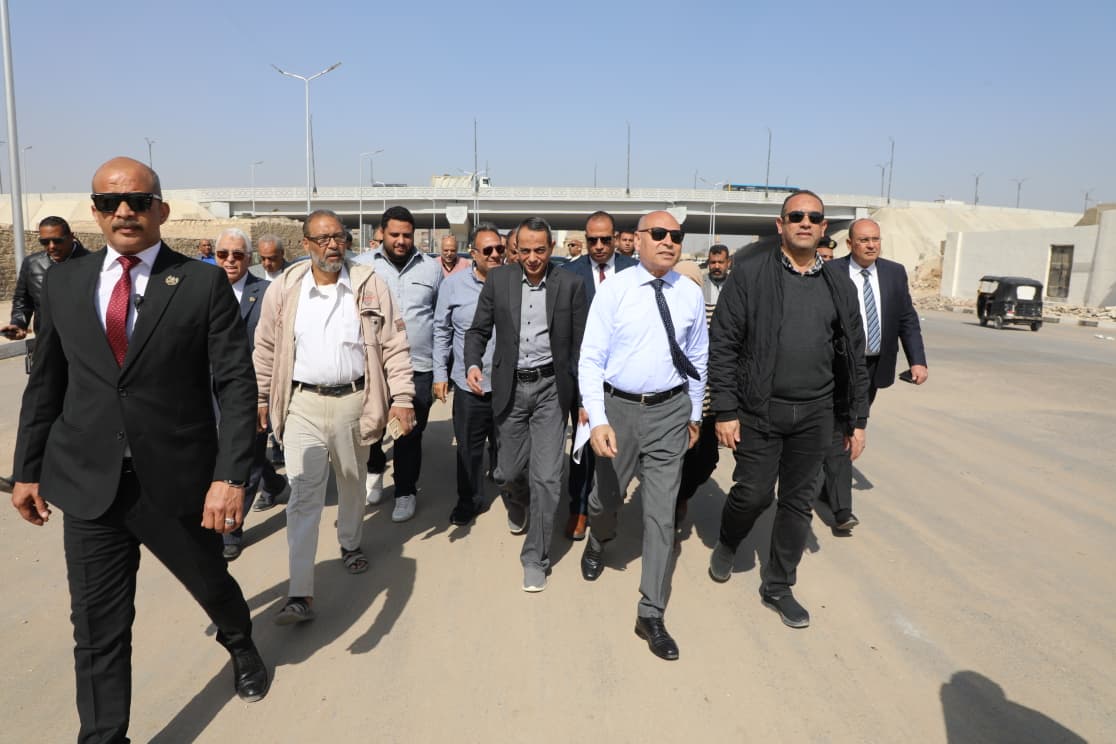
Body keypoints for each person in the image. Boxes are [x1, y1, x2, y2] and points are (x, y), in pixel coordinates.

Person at [10, 157, 269, 741]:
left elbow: (234, 384)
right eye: (109, 202)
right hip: (89, 484)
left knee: (211, 584)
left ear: (161, 210)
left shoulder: (200, 282)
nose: (124, 211)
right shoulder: (66, 283)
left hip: (174, 481)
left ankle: (240, 642)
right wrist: (27, 470)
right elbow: (46, 383)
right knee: (97, 628)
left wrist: (230, 476)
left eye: (137, 201)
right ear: (95, 212)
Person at [707, 190, 870, 630]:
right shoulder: (750, 275)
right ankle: (729, 540)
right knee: (753, 493)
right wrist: (725, 410)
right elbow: (723, 344)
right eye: (796, 216)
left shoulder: (839, 284)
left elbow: (854, 354)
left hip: (816, 413)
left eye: (814, 217)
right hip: (760, 410)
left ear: (823, 228)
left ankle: (779, 585)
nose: (805, 222)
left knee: (798, 503)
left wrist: (856, 420)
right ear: (780, 225)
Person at [254, 209, 415, 624]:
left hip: (354, 402)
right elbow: (266, 348)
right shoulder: (286, 288)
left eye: (339, 237)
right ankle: (300, 592)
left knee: (351, 480)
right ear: (306, 244)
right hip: (301, 403)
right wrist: (260, 397)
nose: (332, 246)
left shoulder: (368, 284)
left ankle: (350, 541)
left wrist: (402, 398)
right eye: (323, 239)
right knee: (303, 495)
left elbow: (394, 344)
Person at [578, 210, 707, 660]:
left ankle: (650, 612)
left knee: (661, 513)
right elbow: (590, 358)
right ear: (637, 240)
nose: (669, 241)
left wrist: (693, 414)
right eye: (659, 234)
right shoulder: (614, 291)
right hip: (619, 410)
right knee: (604, 499)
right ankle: (598, 537)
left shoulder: (689, 294)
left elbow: (697, 357)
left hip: (670, 412)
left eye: (676, 235)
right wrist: (598, 420)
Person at [465, 216, 587, 592]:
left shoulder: (570, 285)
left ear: (551, 249)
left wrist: (584, 400)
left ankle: (535, 557)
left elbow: (583, 348)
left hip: (552, 390)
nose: (532, 258)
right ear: (515, 250)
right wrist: (472, 363)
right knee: (507, 471)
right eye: (525, 250)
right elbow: (478, 329)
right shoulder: (499, 281)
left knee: (547, 478)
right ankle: (516, 499)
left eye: (540, 250)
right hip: (511, 388)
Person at [819, 218, 927, 531]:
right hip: (838, 366)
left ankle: (829, 486)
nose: (871, 245)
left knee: (852, 424)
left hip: (874, 365)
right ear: (850, 244)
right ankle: (842, 510)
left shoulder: (894, 273)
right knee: (843, 429)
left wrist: (917, 360)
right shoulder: (831, 272)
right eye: (864, 240)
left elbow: (907, 318)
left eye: (875, 239)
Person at [352, 206, 442, 522]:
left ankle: (405, 491)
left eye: (407, 235)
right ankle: (374, 468)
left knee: (409, 432)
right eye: (395, 235)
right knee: (373, 425)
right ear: (382, 233)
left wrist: (441, 370)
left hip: (419, 366)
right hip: (374, 366)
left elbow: (439, 320)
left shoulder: (431, 269)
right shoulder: (362, 267)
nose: (401, 241)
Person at [558, 210, 638, 539]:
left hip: (624, 380)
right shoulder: (569, 273)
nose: (600, 246)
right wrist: (581, 396)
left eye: (606, 239)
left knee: (617, 449)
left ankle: (606, 508)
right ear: (586, 239)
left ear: (616, 238)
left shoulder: (635, 271)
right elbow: (566, 335)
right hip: (584, 375)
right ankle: (578, 509)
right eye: (593, 240)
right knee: (583, 449)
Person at [213, 228, 289, 558]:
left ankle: (231, 529)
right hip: (210, 389)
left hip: (252, 389)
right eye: (223, 255)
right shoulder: (201, 290)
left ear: (249, 259)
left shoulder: (268, 293)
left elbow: (278, 346)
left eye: (238, 255)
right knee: (224, 452)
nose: (230, 261)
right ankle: (275, 483)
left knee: (249, 457)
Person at [433, 222, 505, 526]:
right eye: (487, 250)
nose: (495, 255)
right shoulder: (453, 286)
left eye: (499, 249)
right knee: (468, 449)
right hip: (468, 385)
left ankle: (511, 493)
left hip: (507, 384)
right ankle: (470, 500)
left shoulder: (514, 282)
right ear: (473, 253)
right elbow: (442, 331)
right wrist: (440, 374)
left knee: (507, 447)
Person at [3, 216, 90, 342]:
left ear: (71, 237)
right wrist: (18, 324)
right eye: (45, 242)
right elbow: (22, 301)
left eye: (57, 241)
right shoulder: (32, 264)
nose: (51, 246)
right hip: (47, 342)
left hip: (84, 342)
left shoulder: (93, 263)